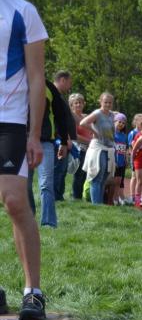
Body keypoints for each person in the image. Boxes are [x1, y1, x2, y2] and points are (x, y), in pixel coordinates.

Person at [0, 0, 48, 320]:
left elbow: (36, 77)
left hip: (11, 120)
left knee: (15, 202)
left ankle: (33, 291)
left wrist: (35, 134)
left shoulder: (23, 11)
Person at [34, 79, 72, 227]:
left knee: (46, 183)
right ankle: (28, 219)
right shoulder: (17, 82)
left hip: (45, 142)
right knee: (24, 185)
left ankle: (48, 222)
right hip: (20, 139)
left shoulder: (49, 87)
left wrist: (63, 141)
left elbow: (60, 116)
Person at [79, 92, 117, 204]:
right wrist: (94, 131)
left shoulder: (111, 115)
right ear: (100, 102)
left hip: (108, 148)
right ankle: (96, 204)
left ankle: (100, 204)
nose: (108, 104)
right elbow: (83, 123)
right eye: (105, 102)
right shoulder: (97, 113)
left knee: (104, 176)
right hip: (98, 148)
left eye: (110, 102)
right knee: (97, 175)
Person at [51, 70, 75, 201]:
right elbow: (57, 120)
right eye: (69, 82)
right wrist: (65, 139)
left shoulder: (59, 96)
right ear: (62, 80)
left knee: (62, 169)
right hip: (59, 140)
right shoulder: (54, 96)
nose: (70, 86)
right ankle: (55, 196)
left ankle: (59, 195)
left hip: (63, 139)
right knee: (58, 168)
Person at [68, 93, 93, 199]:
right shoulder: (71, 118)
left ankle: (82, 195)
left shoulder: (86, 117)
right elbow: (74, 135)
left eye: (80, 102)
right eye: (76, 103)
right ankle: (76, 196)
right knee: (78, 173)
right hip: (78, 148)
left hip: (89, 149)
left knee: (85, 173)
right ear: (71, 105)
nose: (78, 105)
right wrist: (89, 141)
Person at [112, 113, 128, 205]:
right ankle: (111, 198)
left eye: (123, 123)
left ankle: (116, 198)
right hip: (113, 161)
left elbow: (125, 148)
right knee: (113, 181)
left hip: (121, 162)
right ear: (114, 121)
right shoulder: (112, 134)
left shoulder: (124, 136)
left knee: (119, 181)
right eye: (119, 122)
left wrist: (125, 159)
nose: (121, 124)